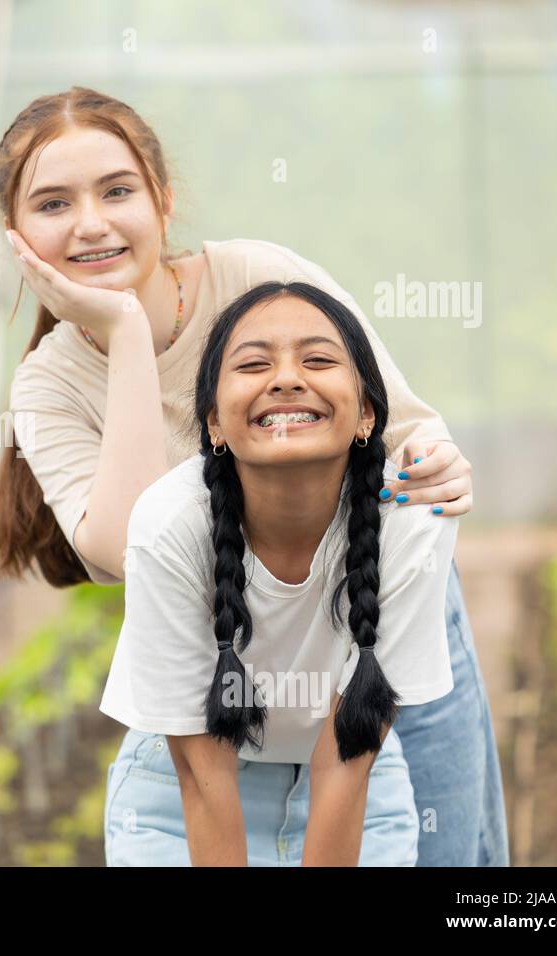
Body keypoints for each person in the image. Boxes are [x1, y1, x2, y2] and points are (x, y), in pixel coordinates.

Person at [0, 86, 508, 866]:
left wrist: (437, 468)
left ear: (163, 200)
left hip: (369, 627)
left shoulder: (257, 279)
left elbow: (401, 433)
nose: (91, 222)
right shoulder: (49, 384)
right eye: (54, 203)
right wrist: (123, 332)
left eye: (117, 191)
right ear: (17, 235)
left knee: (448, 854)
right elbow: (130, 550)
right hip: (224, 662)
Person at [101, 279, 455, 865]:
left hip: (354, 783)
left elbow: (346, 759)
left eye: (318, 359)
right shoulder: (169, 525)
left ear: (366, 413)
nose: (287, 378)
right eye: (254, 363)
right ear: (214, 423)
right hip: (180, 793)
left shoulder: (413, 522)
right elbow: (202, 773)